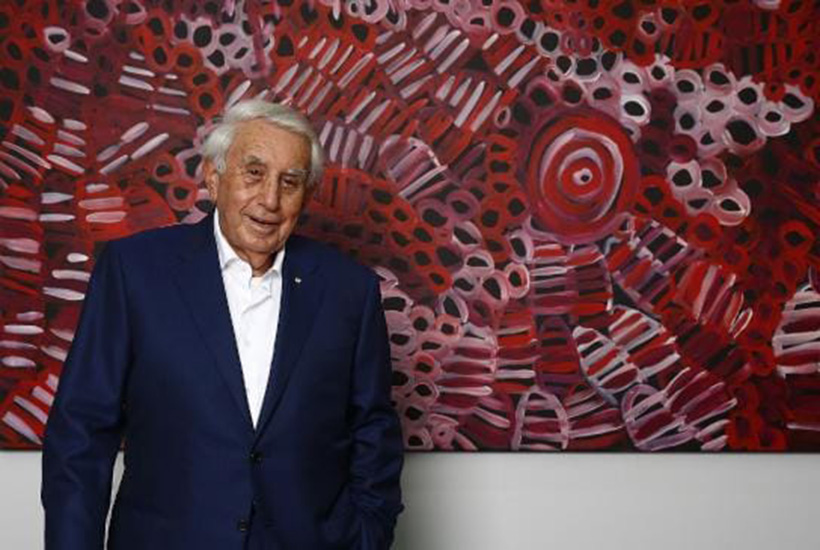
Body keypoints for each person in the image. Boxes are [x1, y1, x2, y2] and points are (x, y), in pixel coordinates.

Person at [41, 99, 404, 550]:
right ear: (213, 177)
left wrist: (368, 534)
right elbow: (81, 432)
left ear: (306, 196)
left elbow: (373, 428)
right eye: (253, 173)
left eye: (289, 182)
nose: (269, 200)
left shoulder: (349, 290)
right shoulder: (134, 271)